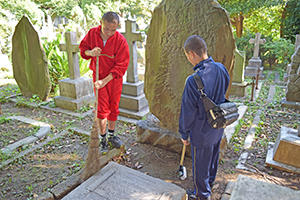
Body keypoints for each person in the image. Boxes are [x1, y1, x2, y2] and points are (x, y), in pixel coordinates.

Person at [179, 35, 229, 200]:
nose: (189, 60)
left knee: (200, 165)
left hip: (201, 132)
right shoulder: (222, 69)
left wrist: (184, 134)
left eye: (187, 57)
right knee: (213, 159)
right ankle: (210, 184)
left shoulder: (193, 80)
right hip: (218, 126)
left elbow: (187, 111)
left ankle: (202, 195)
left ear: (192, 54)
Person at [79, 12, 130, 151]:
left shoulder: (120, 41)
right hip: (98, 76)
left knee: (113, 106)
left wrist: (105, 81)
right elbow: (83, 50)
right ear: (101, 23)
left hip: (113, 79)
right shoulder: (92, 34)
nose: (109, 33)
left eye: (113, 30)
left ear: (117, 26)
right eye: (106, 28)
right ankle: (103, 138)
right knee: (102, 109)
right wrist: (91, 52)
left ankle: (112, 135)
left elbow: (122, 65)